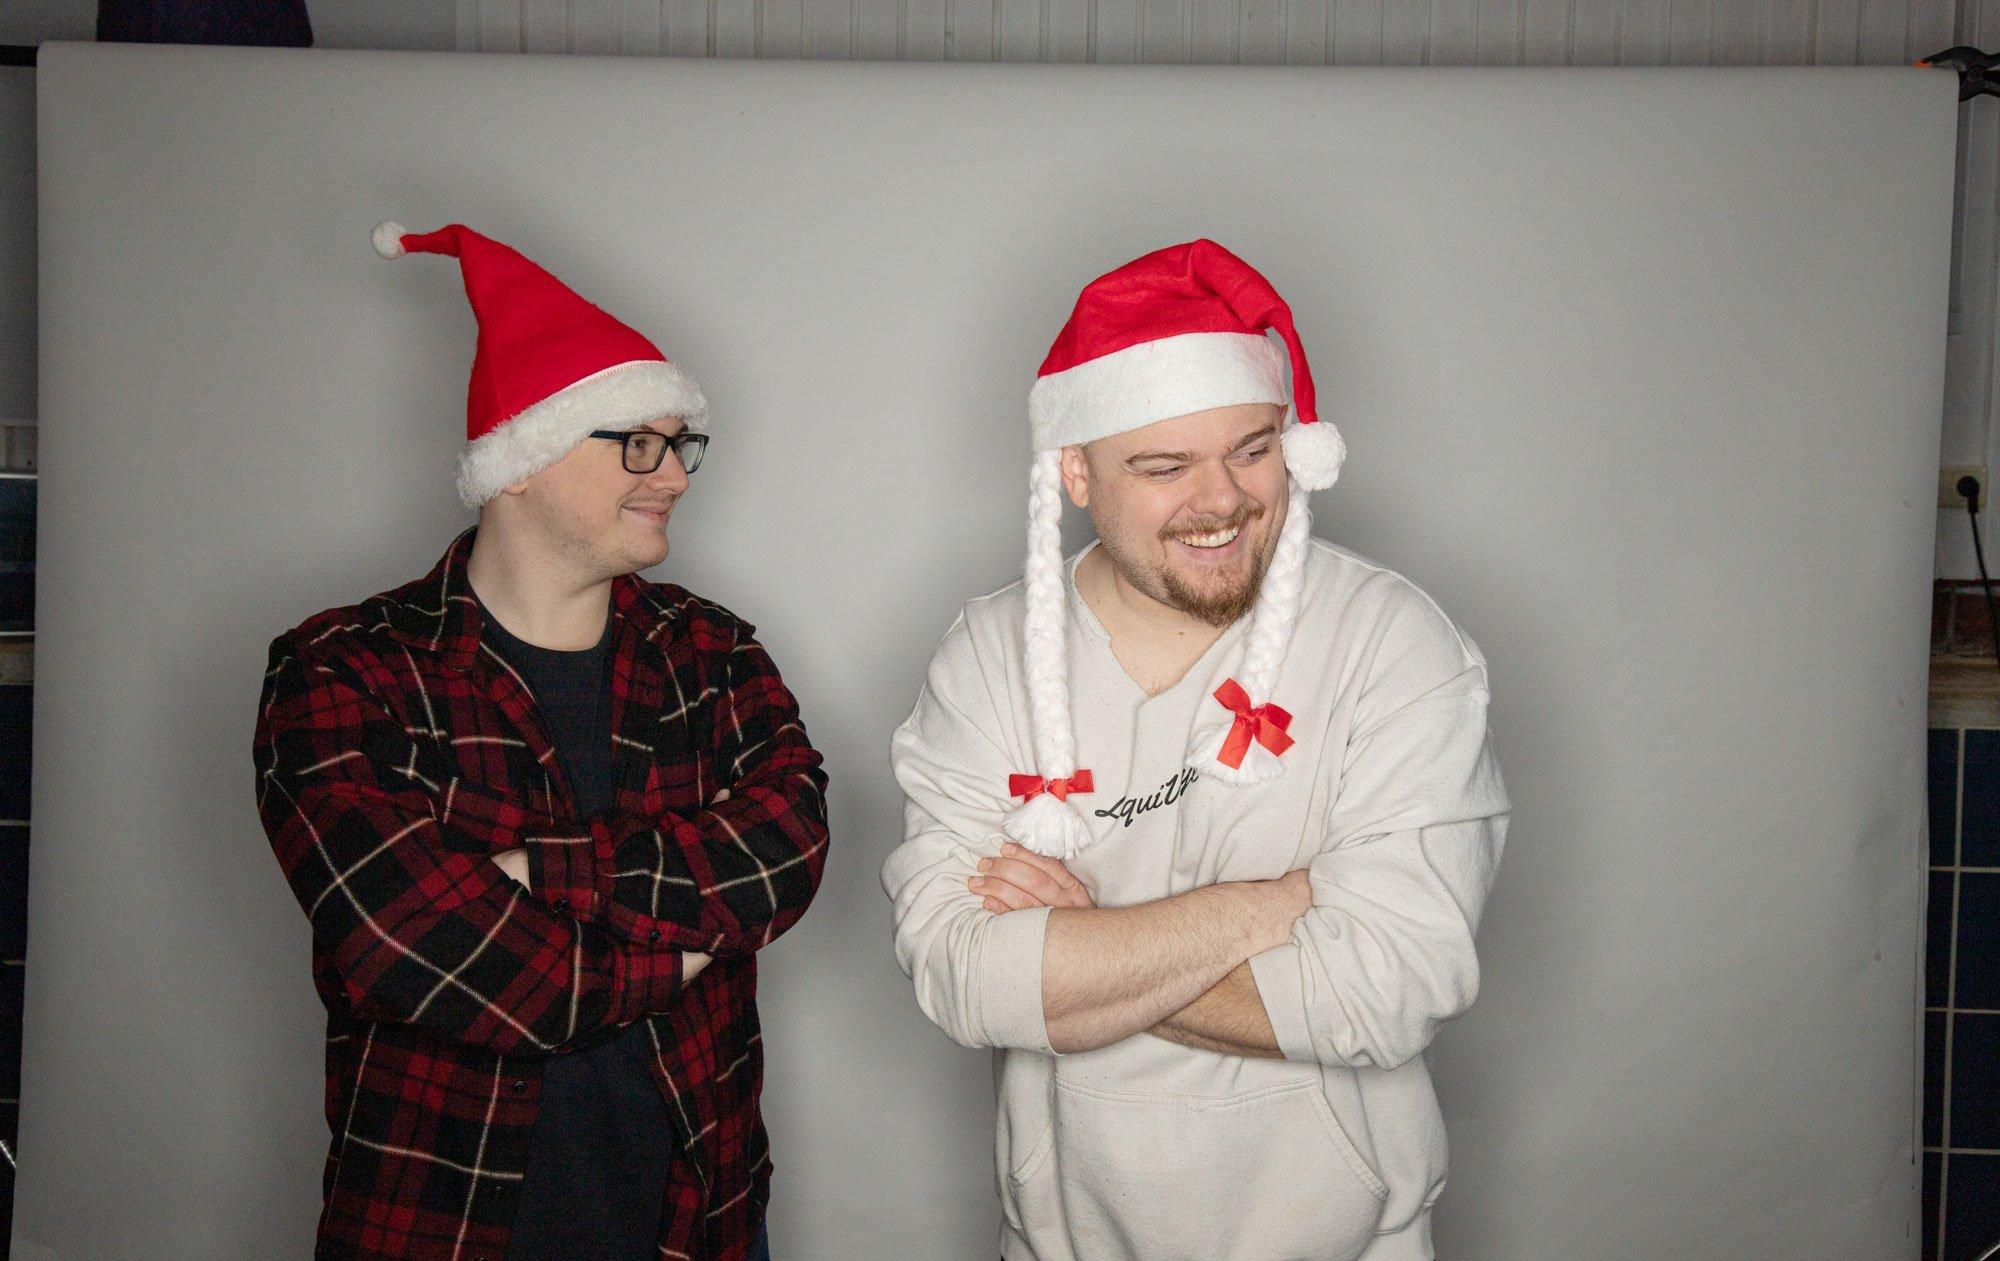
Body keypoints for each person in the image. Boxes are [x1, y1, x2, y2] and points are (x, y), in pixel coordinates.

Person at [882, 238, 1510, 1260]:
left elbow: (1386, 989)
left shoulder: (1394, 643)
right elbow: (964, 976)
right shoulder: (986, 657)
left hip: (1349, 1241)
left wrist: (1084, 950)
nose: (1220, 501)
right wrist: (1265, 907)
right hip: (1065, 1242)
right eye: (1164, 467)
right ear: (1075, 473)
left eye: (1252, 449)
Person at [254, 221, 826, 1260]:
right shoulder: (345, 669)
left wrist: (540, 871)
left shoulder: (710, 652)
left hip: (697, 1214)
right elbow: (415, 953)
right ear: (518, 462)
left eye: (678, 443)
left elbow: (785, 852)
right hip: (438, 1225)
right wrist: (693, 943)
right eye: (636, 445)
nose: (675, 475)